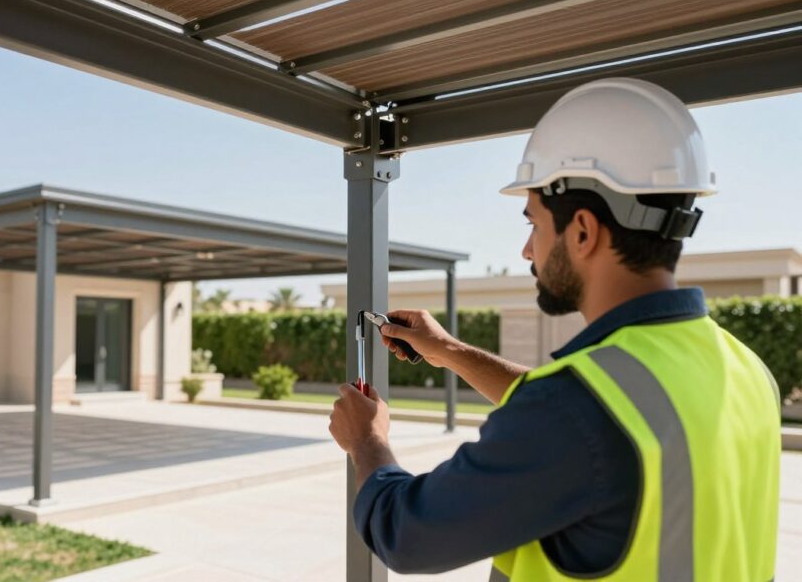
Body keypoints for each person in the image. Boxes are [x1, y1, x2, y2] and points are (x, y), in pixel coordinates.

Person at [328, 77, 781, 581]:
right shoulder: (747, 370)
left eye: (534, 224)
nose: (527, 251)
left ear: (583, 231)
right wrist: (449, 351)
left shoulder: (578, 410)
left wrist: (367, 440)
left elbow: (407, 535)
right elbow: (604, 414)